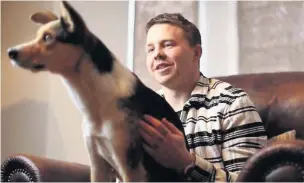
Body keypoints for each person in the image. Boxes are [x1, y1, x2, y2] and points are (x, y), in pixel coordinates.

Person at [139, 13, 268, 182]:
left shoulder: (232, 103)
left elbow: (248, 181)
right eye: (150, 49)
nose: (157, 54)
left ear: (196, 53)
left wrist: (186, 163)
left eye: (168, 45)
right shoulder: (141, 109)